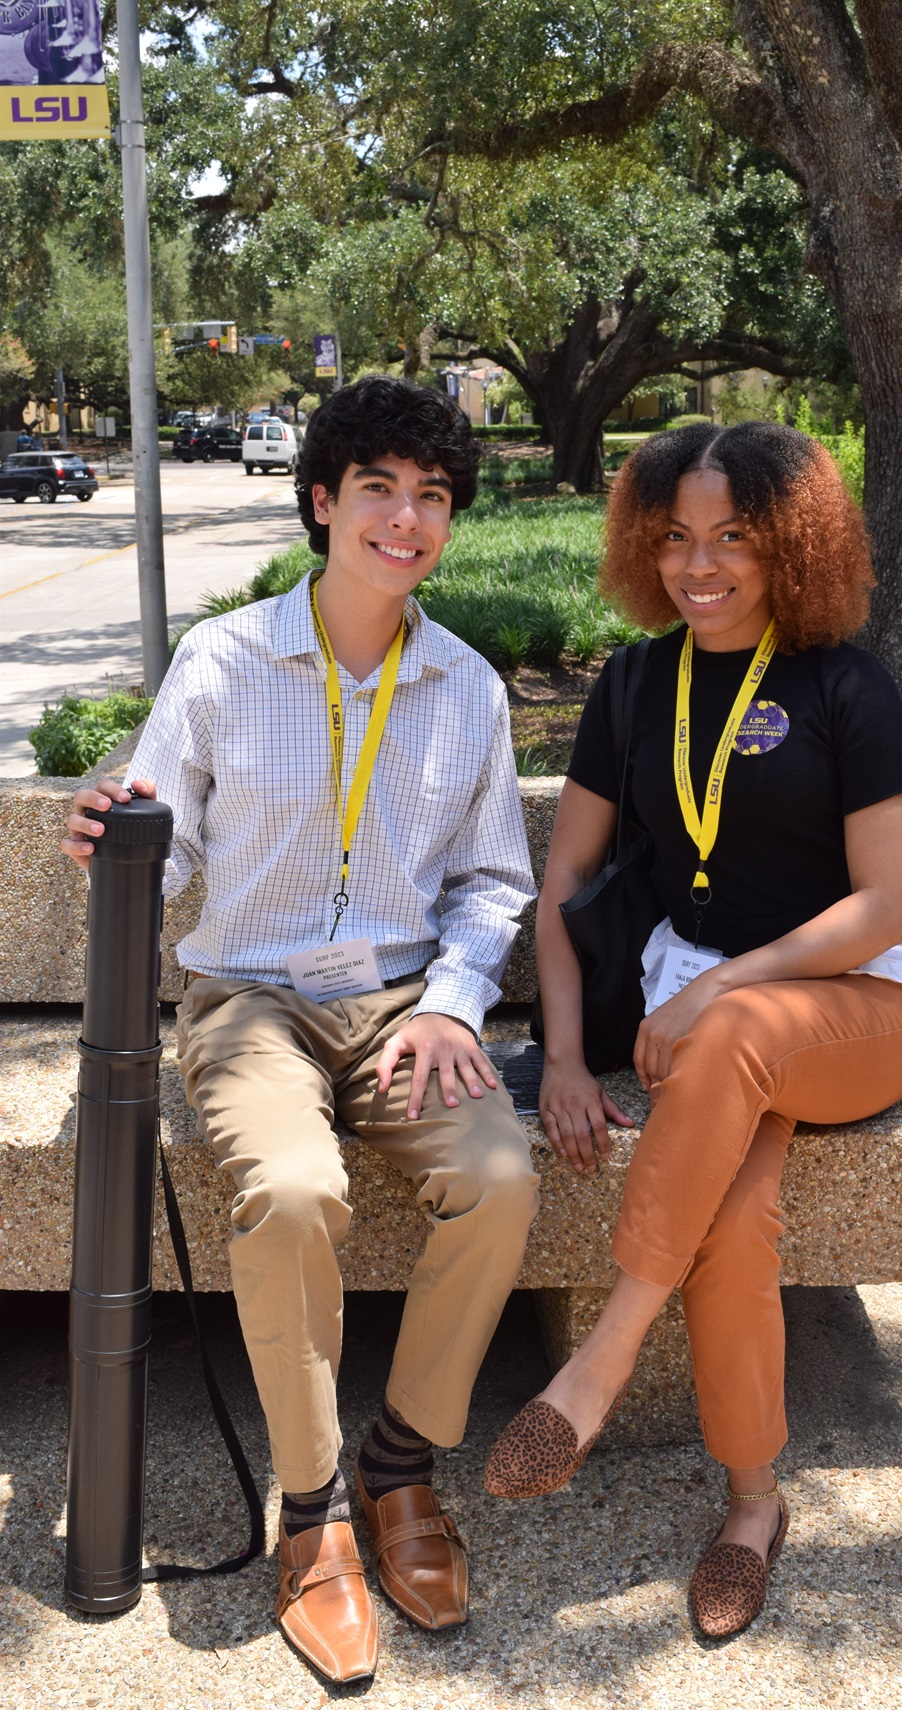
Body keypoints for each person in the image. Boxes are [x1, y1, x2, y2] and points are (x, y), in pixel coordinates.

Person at [62, 376, 540, 1684]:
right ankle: (315, 1509)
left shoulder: (465, 687)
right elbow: (157, 848)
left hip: (400, 1003)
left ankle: (402, 1460)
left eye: (432, 495)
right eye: (379, 488)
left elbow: (495, 878)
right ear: (322, 503)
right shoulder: (223, 660)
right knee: (287, 1188)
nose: (408, 516)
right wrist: (117, 839)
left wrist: (451, 999)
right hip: (253, 1000)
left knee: (499, 1181)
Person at [483, 421, 902, 1639]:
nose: (701, 564)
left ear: (788, 543)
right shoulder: (636, 683)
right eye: (676, 536)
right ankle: (754, 1507)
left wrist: (720, 985)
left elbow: (883, 904)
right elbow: (565, 888)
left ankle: (601, 1363)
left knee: (734, 1032)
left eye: (733, 536)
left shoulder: (848, 683)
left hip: (864, 1009)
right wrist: (569, 1057)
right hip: (712, 1038)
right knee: (733, 1215)